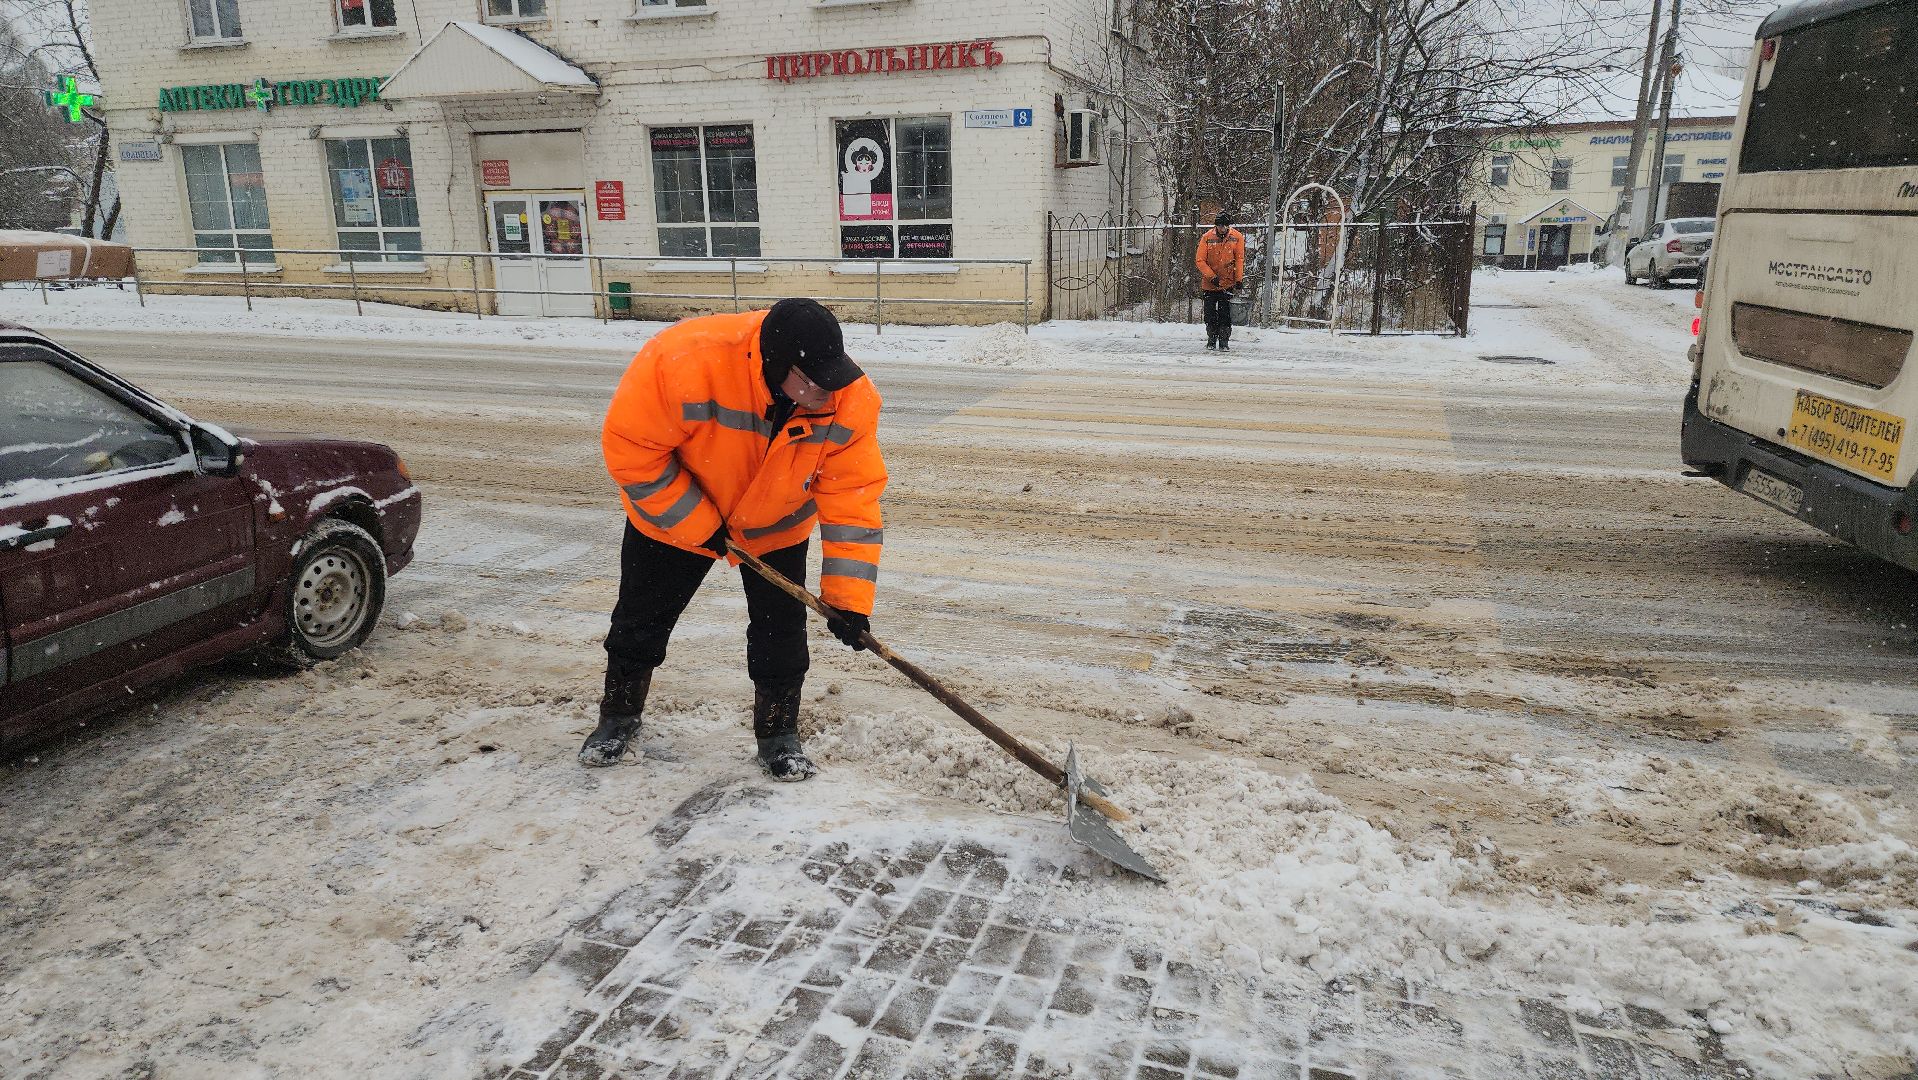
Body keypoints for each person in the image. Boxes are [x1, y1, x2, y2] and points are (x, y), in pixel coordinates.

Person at [579, 298, 887, 781]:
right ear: (775, 364)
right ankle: (618, 716)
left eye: (832, 379)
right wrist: (701, 525)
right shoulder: (683, 360)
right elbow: (632, 452)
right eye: (811, 382)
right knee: (641, 618)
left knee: (780, 634)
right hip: (675, 516)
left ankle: (778, 734)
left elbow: (852, 500)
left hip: (775, 524)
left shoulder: (847, 397)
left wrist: (849, 601)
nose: (823, 394)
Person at [1195, 212, 1246, 350]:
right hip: (1209, 283)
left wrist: (1238, 279)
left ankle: (1224, 341)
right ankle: (1211, 339)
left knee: (1225, 314)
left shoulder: (1237, 237)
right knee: (1210, 314)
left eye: (1224, 226)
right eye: (1219, 226)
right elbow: (1200, 260)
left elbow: (1239, 260)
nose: (1222, 228)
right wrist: (1211, 276)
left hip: (1227, 283)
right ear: (1216, 226)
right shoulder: (1207, 237)